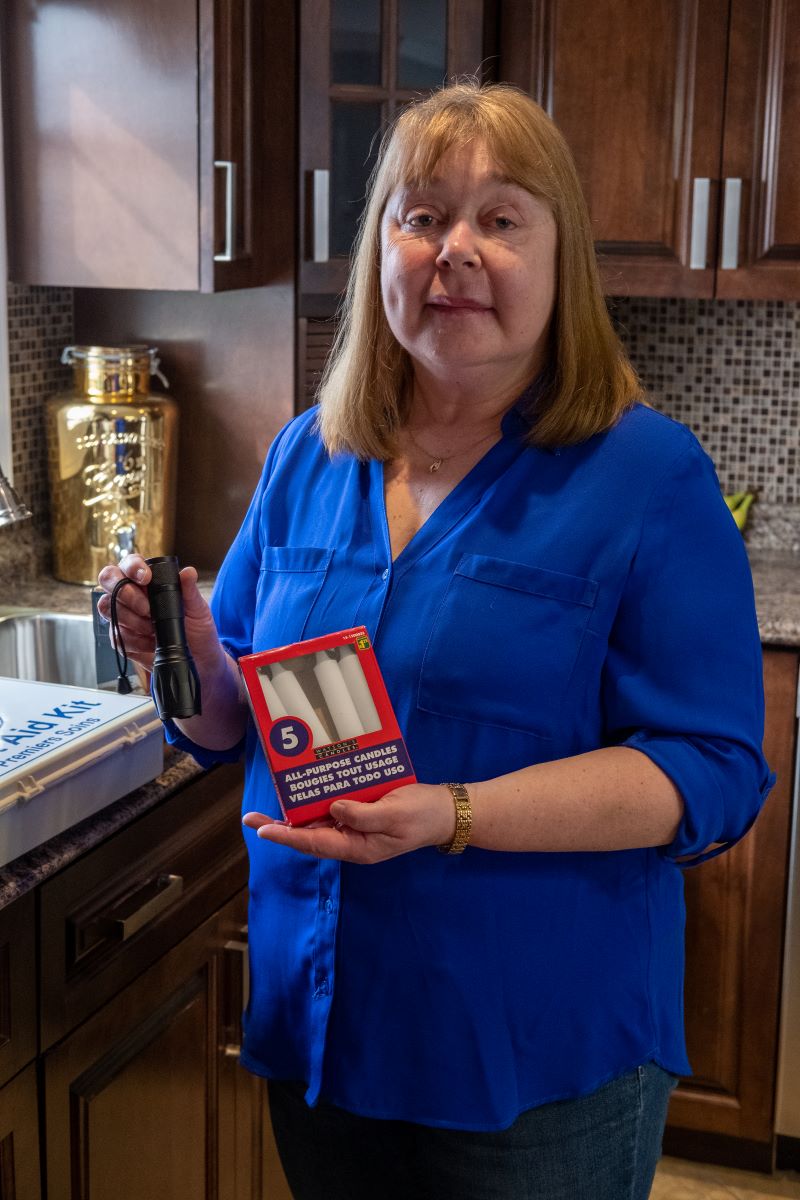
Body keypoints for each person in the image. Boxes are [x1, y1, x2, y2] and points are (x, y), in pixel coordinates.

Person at [97, 81, 775, 1200]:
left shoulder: (648, 479)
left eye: (501, 219)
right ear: (379, 251)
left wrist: (453, 814)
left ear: (562, 263)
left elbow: (708, 773)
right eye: (419, 216)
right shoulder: (309, 455)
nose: (453, 249)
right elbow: (232, 727)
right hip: (320, 1023)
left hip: (527, 1051)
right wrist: (190, 653)